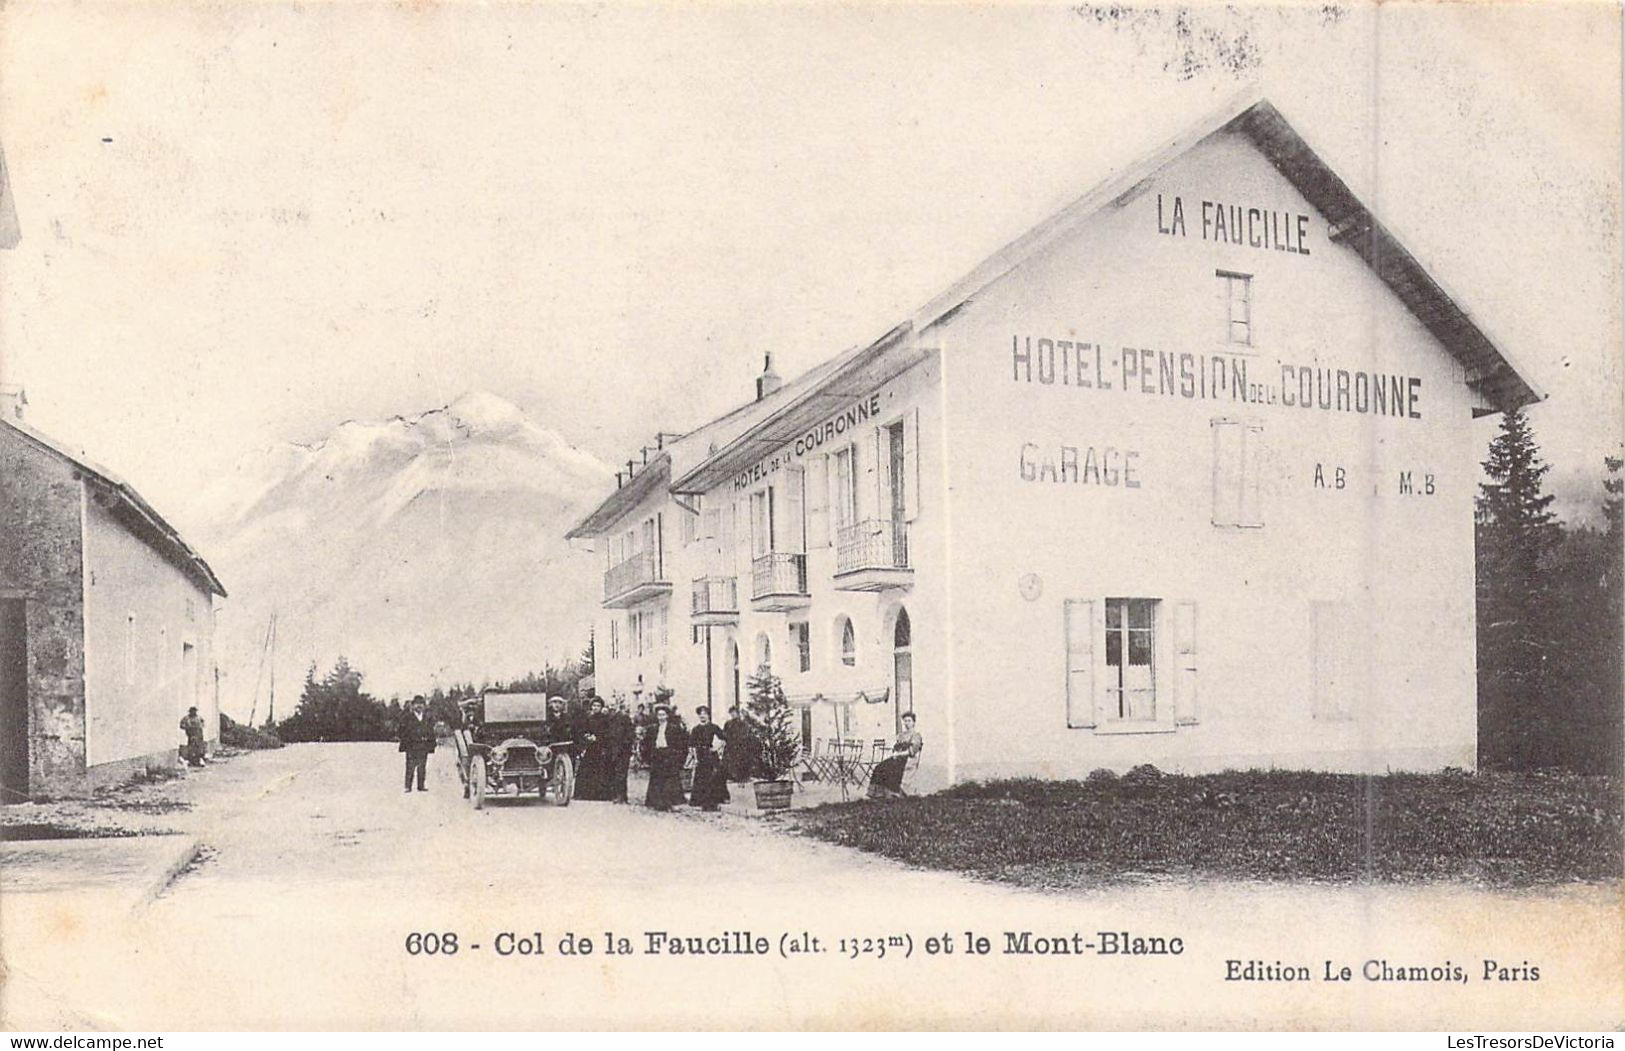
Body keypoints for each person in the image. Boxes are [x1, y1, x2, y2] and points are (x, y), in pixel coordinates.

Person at [642, 704, 688, 811]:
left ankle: (669, 803)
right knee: (657, 778)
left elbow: (681, 743)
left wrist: (678, 756)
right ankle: (657, 802)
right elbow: (647, 743)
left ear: (667, 716)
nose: (661, 717)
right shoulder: (653, 729)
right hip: (657, 755)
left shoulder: (674, 728)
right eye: (659, 715)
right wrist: (648, 756)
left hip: (669, 755)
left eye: (663, 715)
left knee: (670, 779)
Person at [867, 712, 923, 799]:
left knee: (891, 769)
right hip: (897, 757)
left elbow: (912, 751)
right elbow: (895, 746)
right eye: (905, 721)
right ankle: (879, 793)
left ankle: (893, 793)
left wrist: (899, 754)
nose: (907, 723)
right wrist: (894, 752)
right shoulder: (901, 735)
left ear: (913, 722)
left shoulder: (916, 735)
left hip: (907, 758)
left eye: (909, 721)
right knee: (880, 766)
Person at [687, 706, 730, 811]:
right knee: (700, 777)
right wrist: (695, 757)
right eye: (700, 714)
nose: (702, 716)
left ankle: (715, 799)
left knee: (714, 776)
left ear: (708, 715)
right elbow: (691, 745)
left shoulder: (713, 727)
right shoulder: (696, 729)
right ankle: (699, 800)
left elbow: (724, 739)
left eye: (705, 713)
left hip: (710, 755)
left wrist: (717, 749)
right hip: (700, 755)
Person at [574, 697, 616, 801]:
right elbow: (583, 729)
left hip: (601, 747)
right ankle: (585, 794)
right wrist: (587, 736)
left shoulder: (605, 719)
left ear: (601, 707)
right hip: (590, 747)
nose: (595, 708)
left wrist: (597, 738)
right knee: (586, 769)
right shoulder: (588, 718)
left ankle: (601, 795)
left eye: (598, 706)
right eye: (594, 706)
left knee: (601, 770)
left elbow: (608, 733)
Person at [398, 695, 437, 793]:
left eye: (421, 704)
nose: (419, 706)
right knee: (410, 766)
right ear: (413, 705)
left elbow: (431, 731)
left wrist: (431, 743)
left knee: (422, 766)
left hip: (423, 745)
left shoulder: (427, 718)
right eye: (417, 704)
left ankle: (421, 785)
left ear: (424, 706)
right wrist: (406, 740)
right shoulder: (407, 717)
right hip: (411, 745)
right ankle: (408, 786)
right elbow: (401, 730)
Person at [722, 704, 754, 783]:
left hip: (741, 747)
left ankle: (742, 778)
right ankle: (732, 777)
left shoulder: (743, 724)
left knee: (741, 762)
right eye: (731, 713)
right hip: (731, 746)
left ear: (738, 713)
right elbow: (724, 734)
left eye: (735, 712)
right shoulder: (728, 724)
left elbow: (746, 735)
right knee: (730, 763)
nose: (733, 714)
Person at [610, 698, 634, 803]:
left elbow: (629, 734)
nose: (612, 707)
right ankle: (618, 795)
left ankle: (621, 796)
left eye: (613, 705)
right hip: (614, 749)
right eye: (610, 705)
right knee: (616, 772)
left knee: (621, 773)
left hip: (623, 750)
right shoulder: (611, 718)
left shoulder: (625, 718)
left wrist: (625, 745)